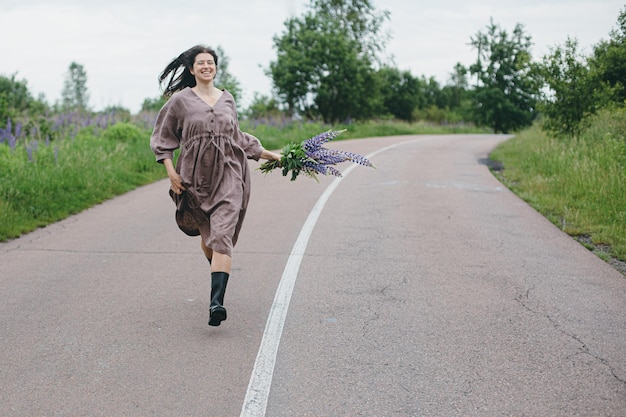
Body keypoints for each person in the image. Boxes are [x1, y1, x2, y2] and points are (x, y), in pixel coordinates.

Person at [150, 45, 281, 327]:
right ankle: (217, 265)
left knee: (222, 235)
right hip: (194, 177)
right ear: (191, 69)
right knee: (210, 236)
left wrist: (269, 154)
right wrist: (171, 172)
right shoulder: (180, 101)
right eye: (201, 63)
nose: (207, 66)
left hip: (230, 173)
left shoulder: (227, 99)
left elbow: (237, 137)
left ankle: (216, 303)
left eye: (211, 62)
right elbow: (163, 137)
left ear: (216, 67)